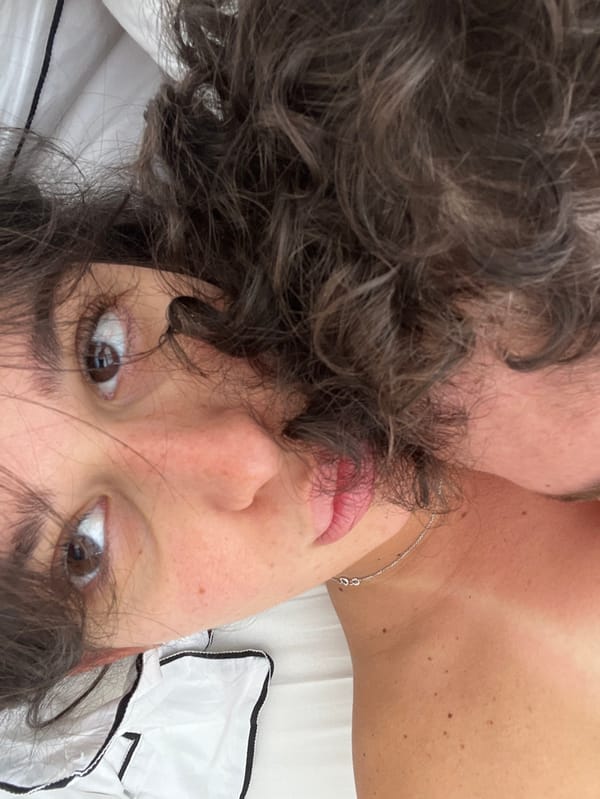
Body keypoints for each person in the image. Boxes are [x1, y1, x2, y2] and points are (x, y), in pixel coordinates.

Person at [0, 0, 599, 777]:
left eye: (102, 354)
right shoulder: (488, 761)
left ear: (117, 257)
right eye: (84, 551)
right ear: (108, 651)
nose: (244, 452)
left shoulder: (383, 87)